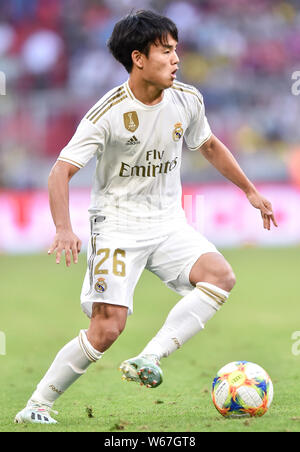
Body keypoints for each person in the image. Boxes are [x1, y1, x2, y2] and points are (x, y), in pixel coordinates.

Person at [15, 10, 277, 424]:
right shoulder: (108, 112)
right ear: (138, 58)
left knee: (220, 277)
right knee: (106, 329)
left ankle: (150, 357)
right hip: (117, 225)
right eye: (166, 51)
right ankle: (36, 406)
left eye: (177, 50)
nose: (176, 59)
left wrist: (250, 190)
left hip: (168, 221)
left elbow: (208, 145)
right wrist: (64, 228)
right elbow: (60, 170)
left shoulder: (187, 99)